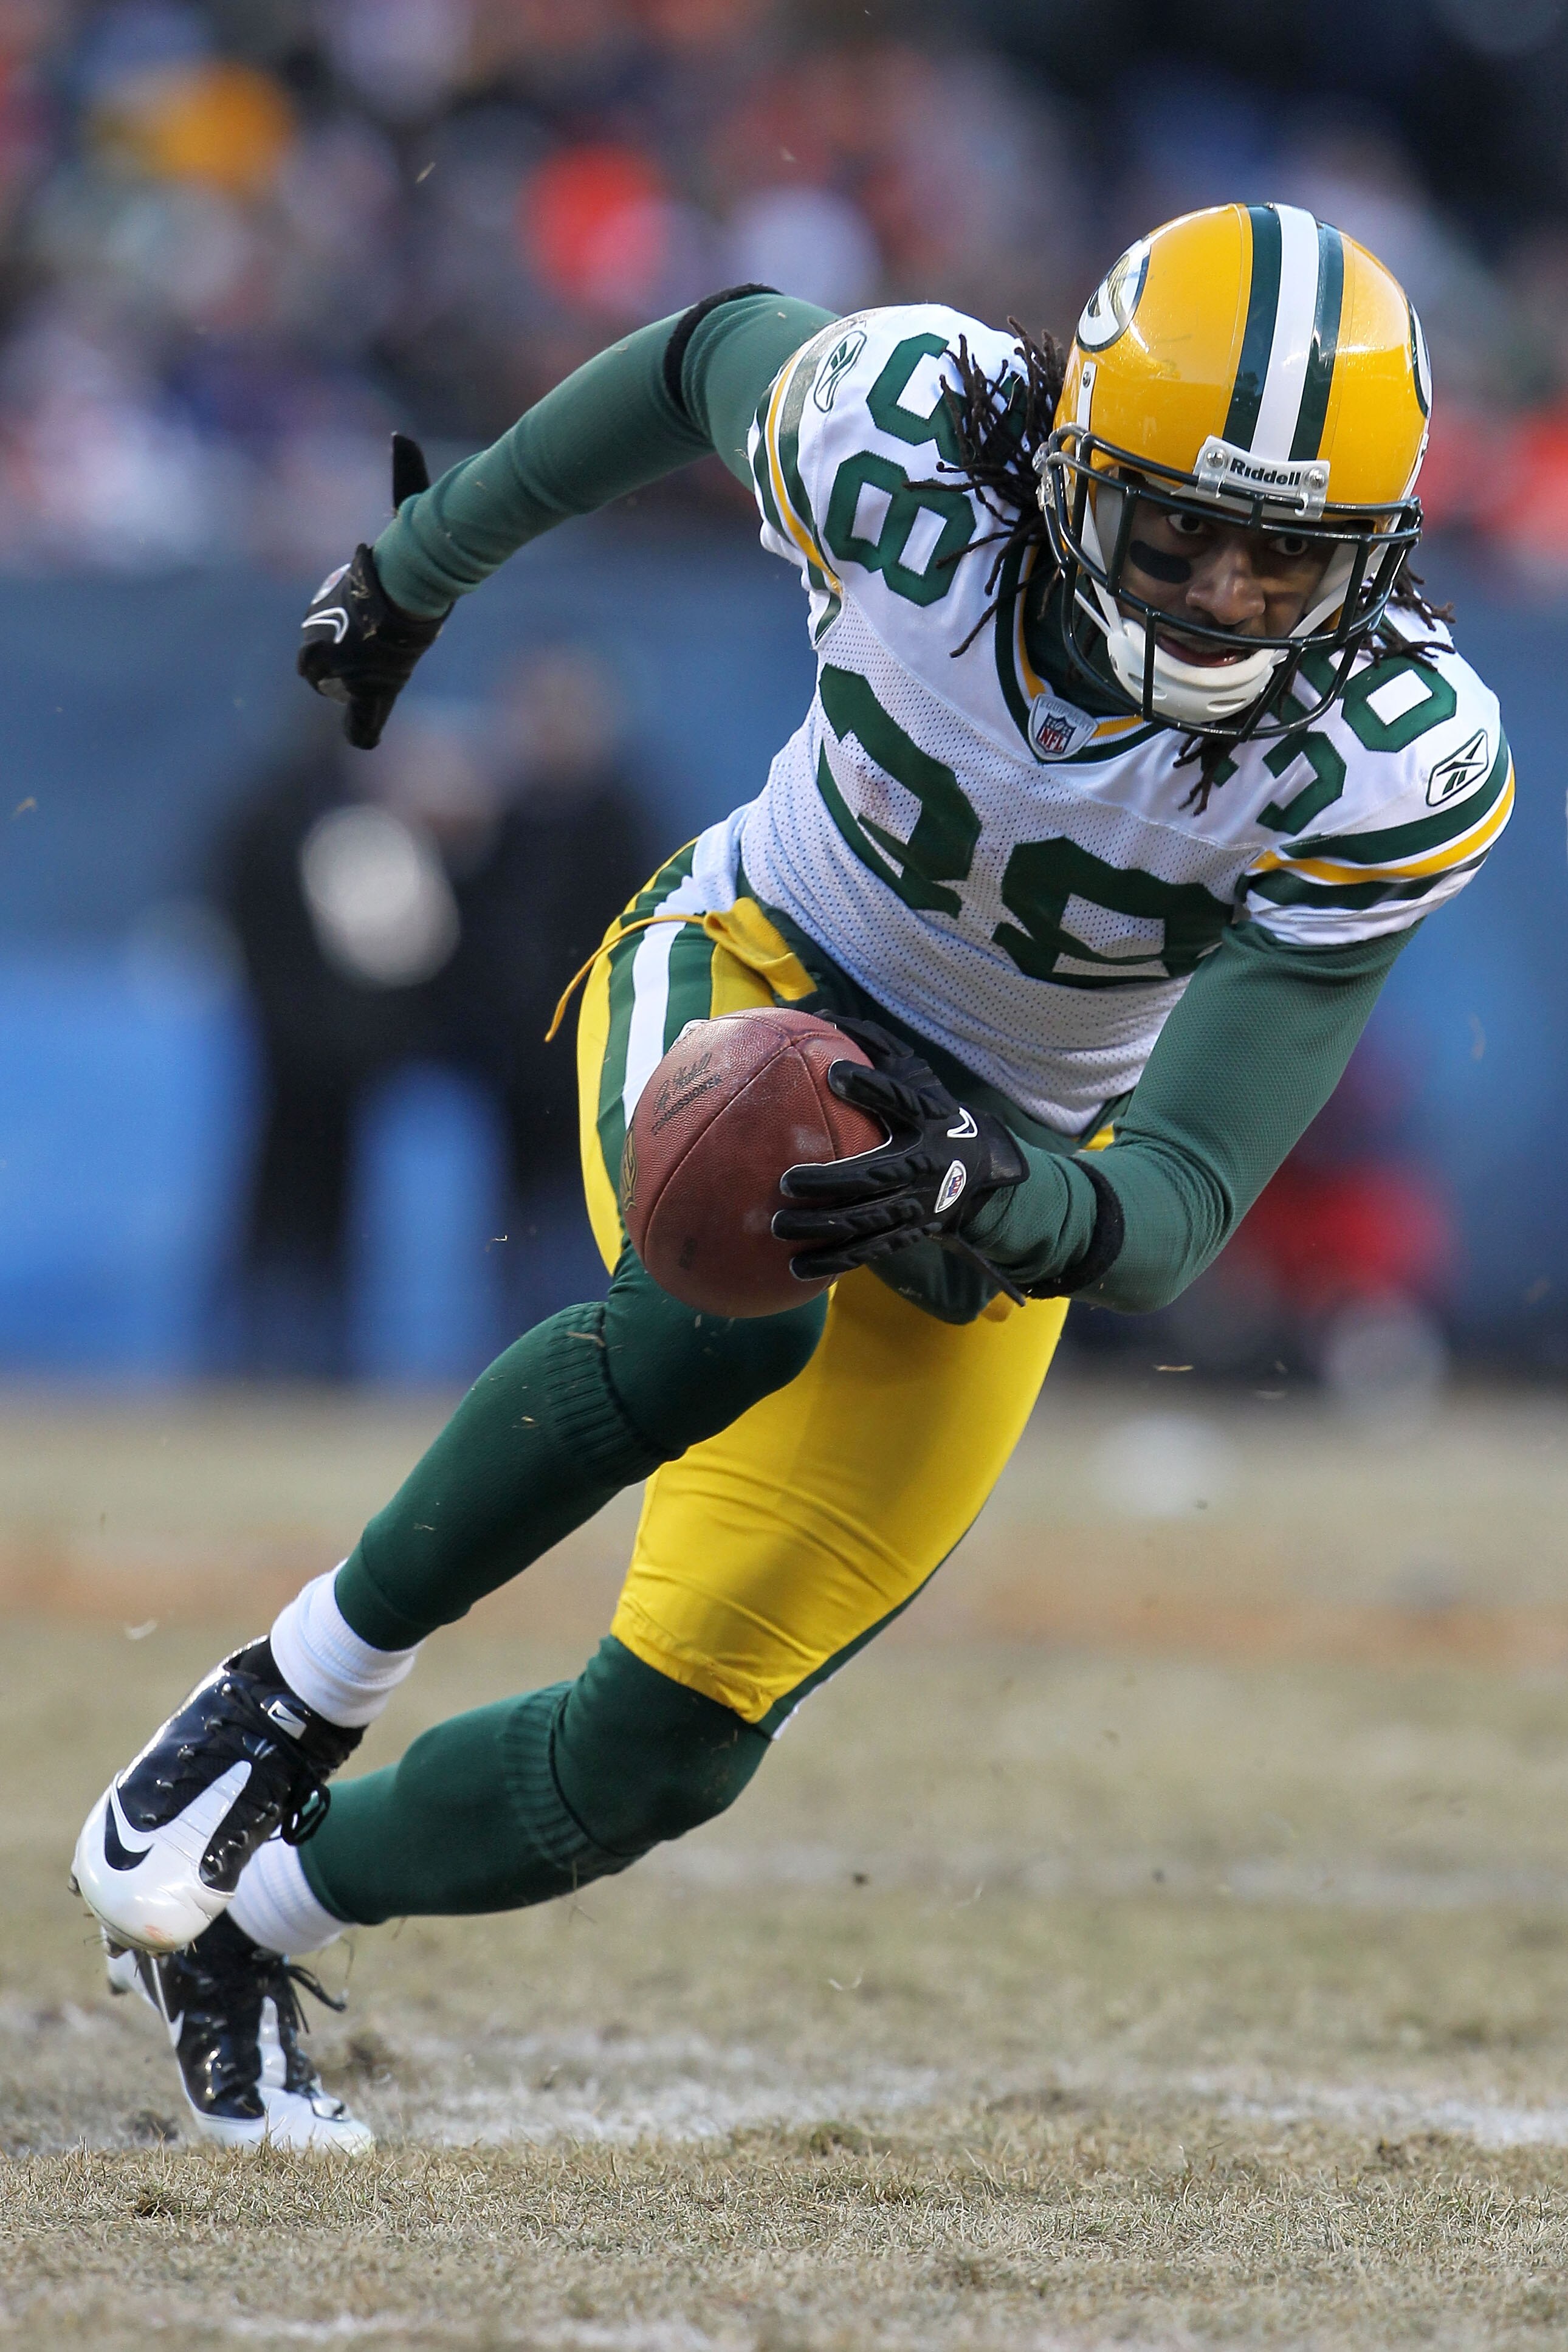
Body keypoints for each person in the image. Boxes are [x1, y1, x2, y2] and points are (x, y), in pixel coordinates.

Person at [74, 209, 1511, 2150]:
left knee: (661, 1757)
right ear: (1068, 457)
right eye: (1175, 531)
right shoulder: (909, 435)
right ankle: (282, 1700)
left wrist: (980, 1192)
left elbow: (1167, 1207)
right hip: (756, 969)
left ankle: (249, 1924)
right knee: (737, 1262)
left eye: (1286, 557)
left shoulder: (1381, 755)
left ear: (1378, 556)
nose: (1222, 597)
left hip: (1012, 1149)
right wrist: (420, 567)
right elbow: (699, 352)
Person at [217, 666, 648, 1374]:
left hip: (548, 1067)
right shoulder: (301, 816)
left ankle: (559, 1361)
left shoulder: (590, 818)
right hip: (365, 1066)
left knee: (555, 1220)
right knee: (303, 1216)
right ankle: (289, 1367)